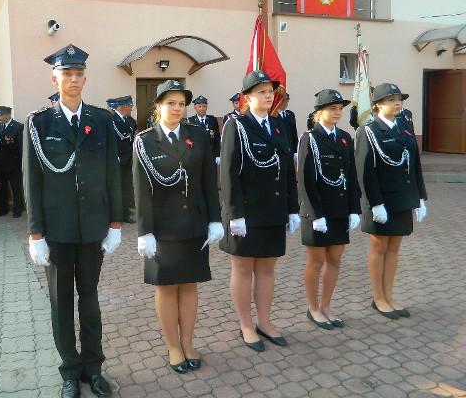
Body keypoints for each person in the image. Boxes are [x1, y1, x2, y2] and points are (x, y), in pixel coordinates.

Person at [24, 44, 122, 398]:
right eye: (67, 73)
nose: (74, 79)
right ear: (55, 78)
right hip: (58, 230)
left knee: (90, 300)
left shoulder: (102, 120)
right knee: (61, 303)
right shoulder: (38, 123)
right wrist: (35, 233)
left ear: (85, 78)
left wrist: (115, 223)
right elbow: (32, 180)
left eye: (79, 73)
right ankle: (69, 371)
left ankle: (93, 368)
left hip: (93, 227)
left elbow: (112, 173)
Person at [133, 80, 223, 374]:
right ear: (158, 106)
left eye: (182, 104)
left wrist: (215, 219)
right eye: (171, 103)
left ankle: (188, 342)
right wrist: (144, 231)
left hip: (194, 224)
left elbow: (209, 181)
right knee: (167, 287)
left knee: (189, 284)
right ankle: (173, 346)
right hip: (162, 228)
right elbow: (141, 190)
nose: (177, 108)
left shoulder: (197, 135)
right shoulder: (145, 141)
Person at [220, 71, 300, 351]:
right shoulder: (236, 126)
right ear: (247, 97)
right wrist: (234, 214)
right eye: (262, 92)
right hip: (246, 212)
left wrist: (292, 208)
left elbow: (288, 170)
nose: (268, 96)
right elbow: (229, 173)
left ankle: (264, 322)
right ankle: (245, 325)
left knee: (267, 269)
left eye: (270, 91)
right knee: (243, 269)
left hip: (273, 210)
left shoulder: (279, 125)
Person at [355, 83, 427, 320]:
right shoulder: (368, 131)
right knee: (379, 246)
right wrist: (375, 203)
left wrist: (420, 197)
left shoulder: (404, 127)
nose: (397, 103)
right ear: (377, 105)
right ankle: (378, 298)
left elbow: (414, 164)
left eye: (399, 99)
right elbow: (365, 171)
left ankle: (389, 295)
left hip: (403, 198)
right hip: (381, 201)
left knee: (394, 247)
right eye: (391, 100)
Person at [297, 89, 361, 329]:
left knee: (335, 259)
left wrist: (354, 209)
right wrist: (315, 215)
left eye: (340, 109)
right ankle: (313, 308)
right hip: (317, 211)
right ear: (319, 112)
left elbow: (352, 175)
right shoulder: (310, 138)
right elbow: (305, 179)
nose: (337, 113)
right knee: (316, 261)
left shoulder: (344, 138)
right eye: (332, 108)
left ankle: (326, 306)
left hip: (339, 209)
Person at [107, 95, 136, 223]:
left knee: (126, 186)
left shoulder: (128, 120)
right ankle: (117, 214)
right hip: (117, 159)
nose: (131, 108)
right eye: (130, 106)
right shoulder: (112, 121)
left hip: (128, 159)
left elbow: (131, 137)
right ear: (124, 107)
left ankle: (125, 212)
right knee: (117, 188)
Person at [0, 105, 24, 217]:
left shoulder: (18, 127)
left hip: (13, 163)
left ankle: (18, 209)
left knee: (16, 187)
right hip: (1, 163)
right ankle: (2, 209)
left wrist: (21, 163)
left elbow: (21, 146)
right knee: (1, 187)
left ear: (8, 115)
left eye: (1, 115)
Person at [187, 95, 221, 165]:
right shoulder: (190, 121)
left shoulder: (212, 120)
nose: (202, 108)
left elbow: (217, 138)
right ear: (195, 108)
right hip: (196, 157)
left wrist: (218, 154)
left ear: (207, 107)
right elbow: (187, 140)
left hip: (211, 156)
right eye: (199, 106)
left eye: (204, 106)